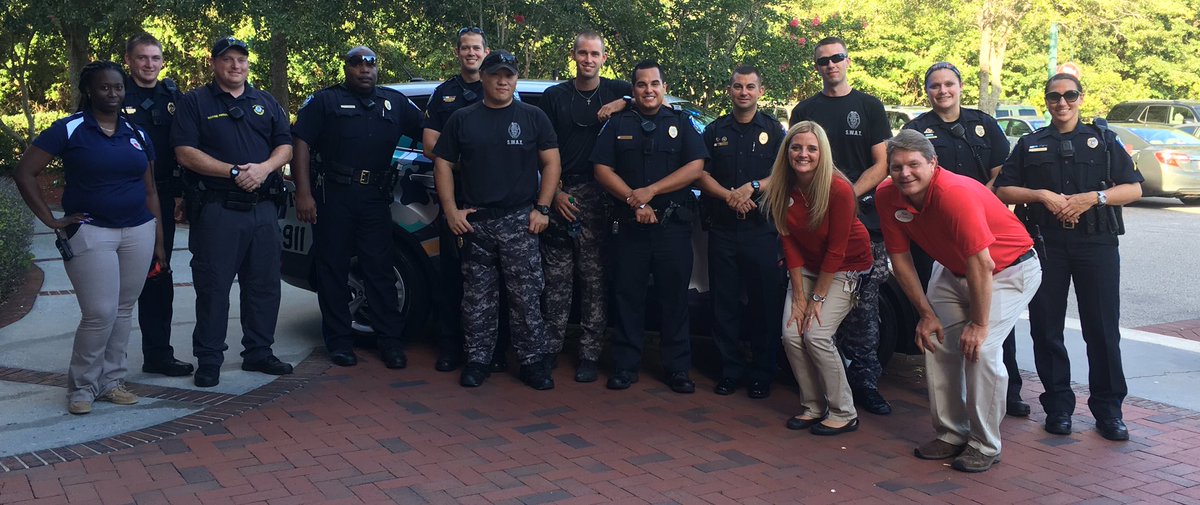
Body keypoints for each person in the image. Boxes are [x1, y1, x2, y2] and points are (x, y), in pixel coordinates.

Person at [878, 129, 1042, 472]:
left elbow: (982, 263)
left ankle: (984, 444)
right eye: (896, 167)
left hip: (1008, 269)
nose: (904, 173)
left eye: (913, 164)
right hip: (954, 269)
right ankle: (951, 433)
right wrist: (925, 314)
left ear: (933, 164)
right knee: (936, 342)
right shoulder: (887, 195)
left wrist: (979, 325)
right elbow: (900, 257)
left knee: (979, 351)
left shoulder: (955, 193)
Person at [13, 61, 166, 414]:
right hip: (91, 231)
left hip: (137, 230)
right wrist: (50, 220)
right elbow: (25, 173)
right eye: (104, 88)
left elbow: (151, 189)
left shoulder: (136, 132)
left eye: (118, 87)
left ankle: (112, 382)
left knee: (124, 310)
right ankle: (82, 387)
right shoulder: (70, 129)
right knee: (99, 312)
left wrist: (157, 239)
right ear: (89, 91)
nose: (112, 94)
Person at [996, 74, 1143, 441]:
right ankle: (1058, 407)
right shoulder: (1031, 144)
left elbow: (1134, 187)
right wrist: (1042, 195)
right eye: (1054, 97)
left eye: (1069, 95)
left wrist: (1093, 197)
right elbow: (1002, 190)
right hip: (1047, 244)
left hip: (1097, 243)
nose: (1062, 103)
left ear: (1081, 97)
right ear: (1046, 101)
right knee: (1047, 329)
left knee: (1103, 329)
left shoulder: (1105, 140)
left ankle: (1109, 411)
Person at [903, 62, 1029, 417]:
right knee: (948, 315)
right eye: (935, 86)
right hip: (937, 238)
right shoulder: (917, 130)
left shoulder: (983, 125)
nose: (942, 91)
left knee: (990, 315)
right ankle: (953, 395)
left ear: (960, 87)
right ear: (927, 91)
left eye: (949, 84)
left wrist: (976, 200)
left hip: (982, 231)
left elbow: (1002, 176)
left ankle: (1011, 391)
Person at [432, 50, 561, 390]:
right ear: (484, 78)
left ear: (516, 78)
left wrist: (543, 208)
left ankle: (532, 363)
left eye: (509, 75)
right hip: (477, 223)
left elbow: (551, 163)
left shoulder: (533, 117)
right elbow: (442, 162)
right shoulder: (462, 118)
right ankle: (478, 360)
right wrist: (450, 211)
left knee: (526, 298)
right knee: (477, 298)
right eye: (496, 75)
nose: (503, 80)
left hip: (521, 221)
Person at [171, 37, 294, 387]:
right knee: (213, 287)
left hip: (264, 210)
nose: (236, 66)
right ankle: (209, 359)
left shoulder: (265, 101)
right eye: (228, 60)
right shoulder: (195, 102)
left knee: (265, 286)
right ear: (214, 63)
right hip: (217, 210)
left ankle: (259, 352)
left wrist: (264, 169)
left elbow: (285, 145)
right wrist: (235, 172)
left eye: (241, 59)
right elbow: (185, 152)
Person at [291, 46, 423, 368]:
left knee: (379, 270)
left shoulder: (394, 103)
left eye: (371, 63)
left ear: (378, 68)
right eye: (356, 63)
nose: (364, 69)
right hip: (334, 196)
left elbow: (429, 134)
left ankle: (389, 341)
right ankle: (339, 342)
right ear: (346, 67)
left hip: (377, 198)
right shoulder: (325, 101)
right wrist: (303, 193)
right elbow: (301, 144)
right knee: (333, 270)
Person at [789, 37, 893, 415]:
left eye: (837, 58)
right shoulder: (806, 109)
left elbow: (881, 163)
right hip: (813, 227)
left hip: (863, 224)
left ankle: (865, 382)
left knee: (865, 310)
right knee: (816, 314)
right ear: (816, 66)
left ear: (848, 60)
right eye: (823, 60)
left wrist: (844, 195)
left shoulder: (868, 106)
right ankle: (825, 388)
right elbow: (795, 159)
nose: (831, 65)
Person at [592, 60, 707, 393]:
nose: (649, 90)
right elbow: (602, 169)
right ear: (634, 90)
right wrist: (636, 201)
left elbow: (697, 167)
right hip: (629, 228)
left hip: (672, 227)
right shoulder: (617, 124)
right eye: (641, 85)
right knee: (627, 297)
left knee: (675, 300)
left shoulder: (681, 123)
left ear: (664, 87)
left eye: (654, 84)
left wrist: (652, 191)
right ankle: (626, 366)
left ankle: (677, 369)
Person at [762, 121, 870, 435]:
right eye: (796, 147)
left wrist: (817, 299)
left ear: (823, 153)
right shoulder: (782, 186)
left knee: (817, 335)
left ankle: (844, 412)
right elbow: (789, 243)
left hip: (844, 267)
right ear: (787, 151)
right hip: (807, 267)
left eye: (812, 148)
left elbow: (836, 251)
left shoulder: (838, 188)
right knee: (792, 334)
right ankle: (813, 406)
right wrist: (799, 297)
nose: (803, 154)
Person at [535, 31, 630, 383]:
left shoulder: (617, 90)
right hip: (560, 192)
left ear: (604, 58)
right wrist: (554, 193)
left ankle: (589, 353)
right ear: (573, 55)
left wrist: (623, 103)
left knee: (594, 279)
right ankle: (549, 349)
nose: (589, 59)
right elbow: (538, 148)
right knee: (557, 280)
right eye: (583, 53)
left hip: (600, 194)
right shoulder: (553, 97)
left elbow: (652, 97)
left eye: (595, 54)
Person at [422, 27, 509, 374]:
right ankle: (450, 347)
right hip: (456, 196)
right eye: (465, 48)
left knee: (499, 280)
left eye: (477, 48)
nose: (471, 53)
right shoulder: (444, 94)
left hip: (499, 201)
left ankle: (498, 349)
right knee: (452, 277)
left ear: (486, 52)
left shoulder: (503, 89)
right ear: (457, 53)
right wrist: (472, 161)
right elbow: (431, 146)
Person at [695, 65, 784, 399]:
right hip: (723, 230)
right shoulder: (715, 130)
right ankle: (730, 370)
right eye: (737, 86)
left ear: (761, 91)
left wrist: (753, 187)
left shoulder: (774, 131)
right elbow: (700, 173)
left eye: (750, 87)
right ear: (729, 90)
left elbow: (786, 173)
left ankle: (762, 373)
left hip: (761, 232)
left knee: (764, 305)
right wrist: (730, 196)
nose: (744, 92)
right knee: (724, 304)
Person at [122, 34, 194, 377]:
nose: (149, 65)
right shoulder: (112, 91)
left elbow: (181, 146)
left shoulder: (173, 96)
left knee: (157, 274)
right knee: (115, 282)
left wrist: (181, 194)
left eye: (155, 58)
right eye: (142, 58)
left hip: (161, 197)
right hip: (120, 195)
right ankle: (110, 361)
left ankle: (158, 354)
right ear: (129, 60)